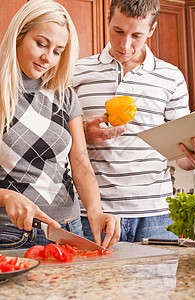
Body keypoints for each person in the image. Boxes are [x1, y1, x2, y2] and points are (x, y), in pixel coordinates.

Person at [73, 0, 195, 242]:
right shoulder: (77, 72)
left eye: (137, 35)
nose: (125, 45)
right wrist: (82, 135)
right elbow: (60, 143)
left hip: (155, 215)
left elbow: (181, 157)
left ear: (152, 30)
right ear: (108, 19)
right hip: (93, 214)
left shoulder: (171, 77)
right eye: (118, 31)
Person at [0, 0, 120, 250]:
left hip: (68, 229)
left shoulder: (64, 96)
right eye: (41, 44)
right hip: (11, 234)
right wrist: (6, 196)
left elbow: (80, 162)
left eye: (57, 51)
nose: (48, 58)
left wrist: (96, 211)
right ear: (19, 36)